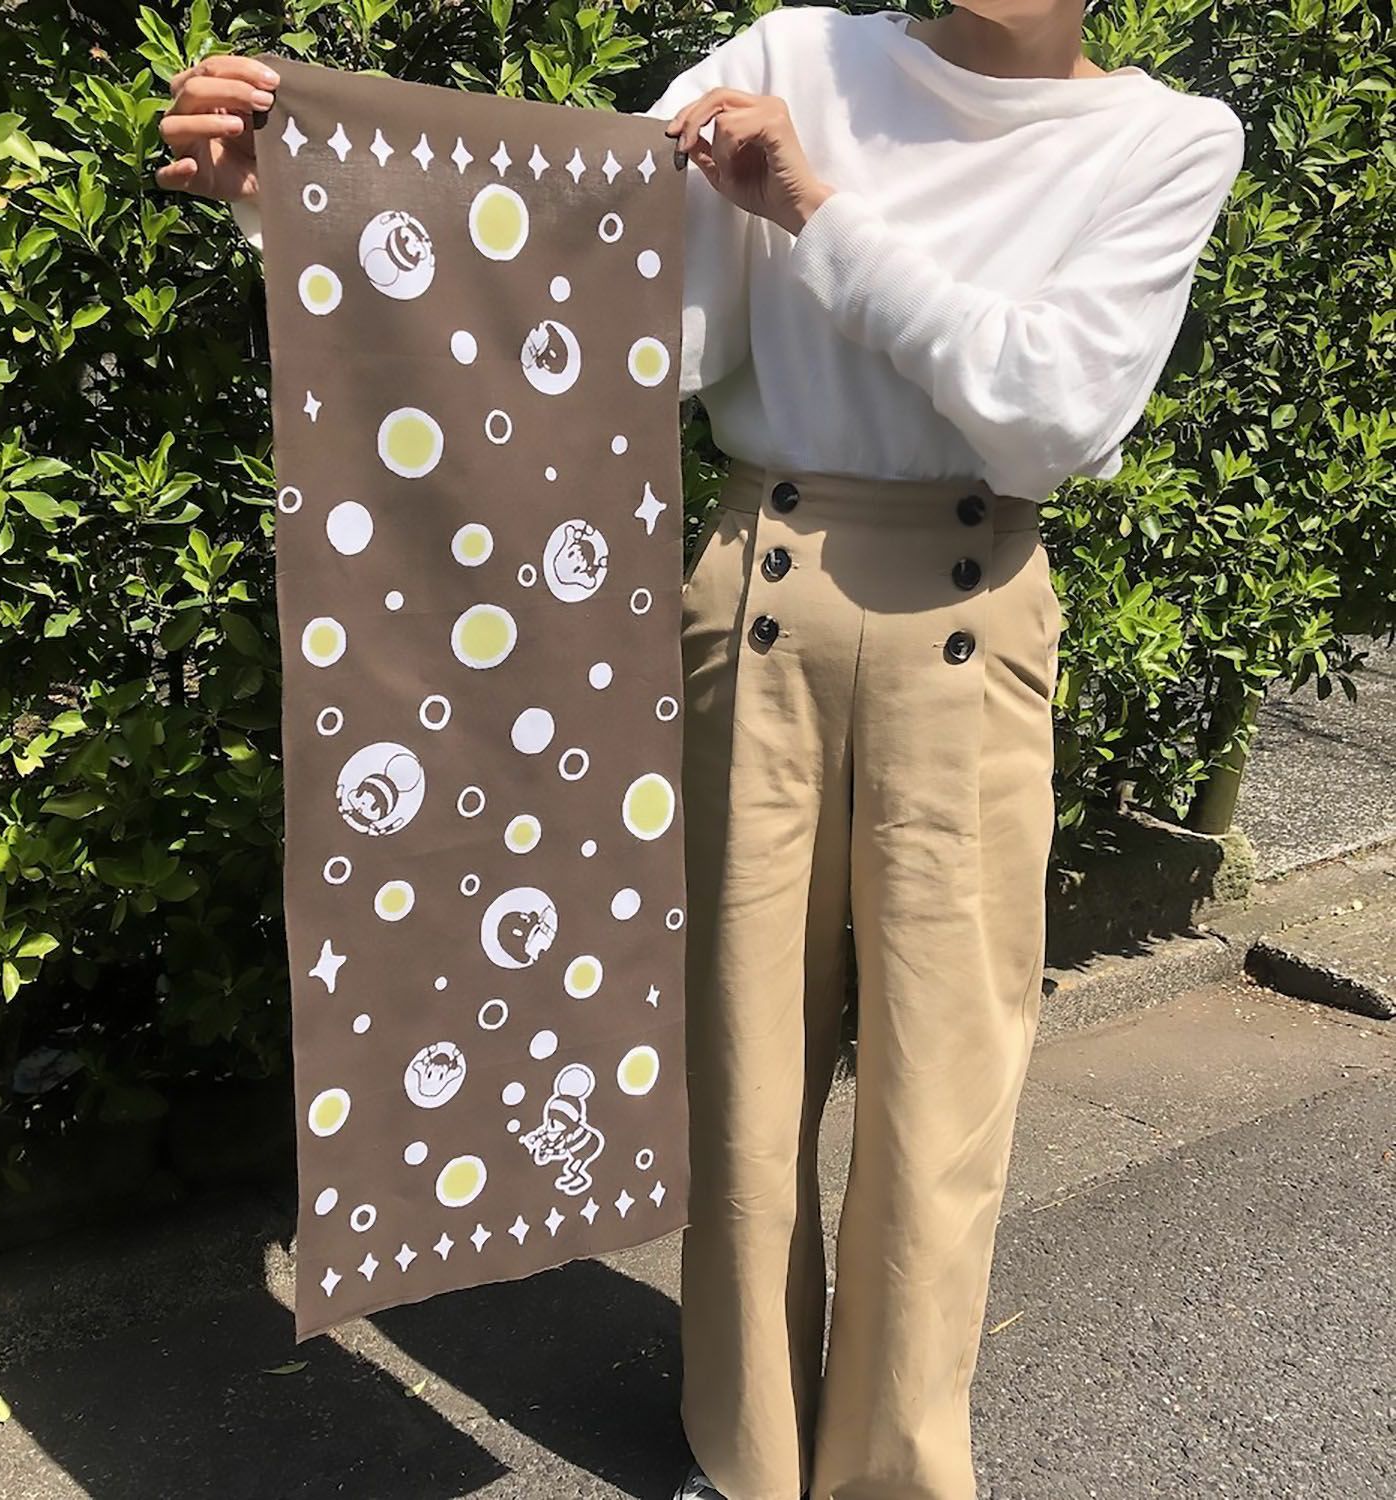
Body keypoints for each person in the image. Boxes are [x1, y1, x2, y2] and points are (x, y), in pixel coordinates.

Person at [156, 3, 1243, 1496]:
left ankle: (897, 1473)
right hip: (756, 598)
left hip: (974, 611)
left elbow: (1049, 415)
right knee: (737, 1060)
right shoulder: (791, 55)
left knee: (947, 1078)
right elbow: (600, 315)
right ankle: (750, 1445)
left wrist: (814, 208)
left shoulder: (1166, 137)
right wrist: (301, 201)